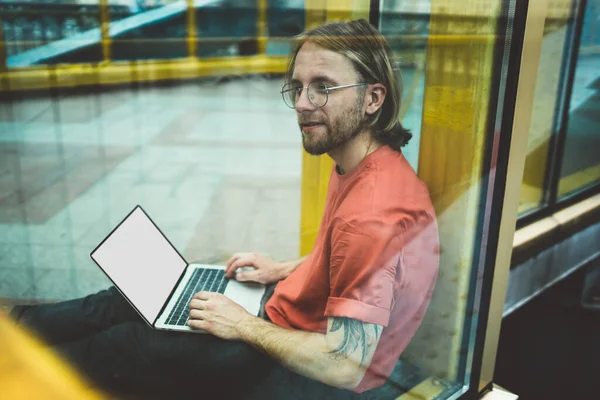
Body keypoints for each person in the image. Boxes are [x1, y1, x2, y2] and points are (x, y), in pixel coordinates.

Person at [9, 19, 439, 399]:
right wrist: (283, 269)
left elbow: (346, 365)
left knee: (125, 342)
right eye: (298, 86)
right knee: (129, 298)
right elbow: (358, 264)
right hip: (283, 313)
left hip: (290, 359)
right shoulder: (365, 160)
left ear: (372, 98)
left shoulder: (370, 213)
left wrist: (240, 325)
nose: (304, 103)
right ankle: (15, 328)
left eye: (323, 87)